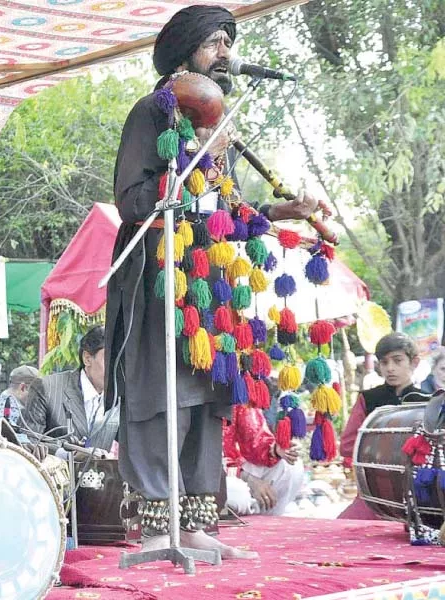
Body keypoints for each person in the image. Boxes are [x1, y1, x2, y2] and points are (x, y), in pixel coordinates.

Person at [104, 5, 327, 558]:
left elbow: (225, 211)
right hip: (159, 275)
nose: (226, 52)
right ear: (184, 51)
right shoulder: (152, 112)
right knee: (162, 397)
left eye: (229, 42)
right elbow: (132, 201)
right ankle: (157, 525)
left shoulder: (218, 120)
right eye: (214, 42)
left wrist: (282, 213)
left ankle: (196, 523)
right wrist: (194, 156)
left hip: (210, 283)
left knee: (207, 397)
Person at [339, 332, 421, 519]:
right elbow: (348, 446)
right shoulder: (368, 399)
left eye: (397, 361)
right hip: (375, 488)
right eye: (384, 362)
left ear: (414, 362)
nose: (390, 368)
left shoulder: (427, 401)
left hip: (417, 488)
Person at [23, 325, 119, 453]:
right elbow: (29, 442)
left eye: (120, 361)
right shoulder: (47, 388)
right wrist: (66, 454)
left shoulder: (120, 399)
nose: (115, 367)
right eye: (109, 359)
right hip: (54, 465)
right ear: (87, 358)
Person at [223, 404, 304, 516]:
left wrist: (276, 450)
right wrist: (247, 479)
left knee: (291, 467)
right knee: (238, 497)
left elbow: (254, 438)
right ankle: (247, 509)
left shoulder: (237, 395)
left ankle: (267, 520)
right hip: (208, 478)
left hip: (234, 470)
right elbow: (206, 463)